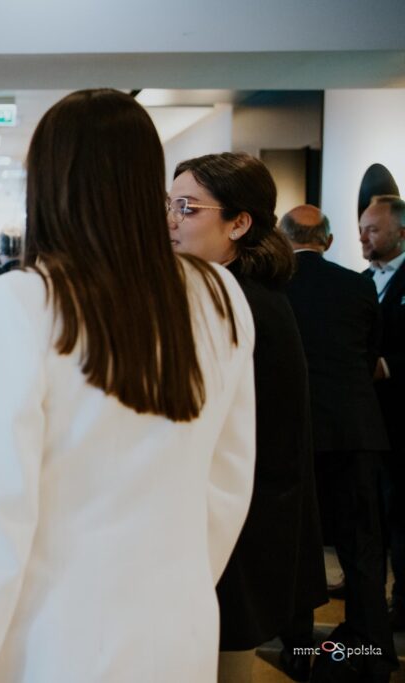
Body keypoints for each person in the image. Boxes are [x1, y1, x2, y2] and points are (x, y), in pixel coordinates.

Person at [0, 89, 256, 682]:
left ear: (49, 183)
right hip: (177, 627)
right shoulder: (219, 293)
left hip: (54, 633)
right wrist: (175, 584)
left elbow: (1, 507)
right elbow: (229, 483)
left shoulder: (21, 299)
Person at [169, 152, 327, 682]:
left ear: (239, 223)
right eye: (169, 205)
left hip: (239, 528)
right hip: (237, 521)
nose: (171, 221)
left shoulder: (235, 300)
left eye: (188, 208)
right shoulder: (232, 290)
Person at [280, 204, 396, 681]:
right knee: (362, 547)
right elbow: (370, 354)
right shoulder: (358, 285)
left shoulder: (273, 286)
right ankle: (372, 652)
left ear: (283, 240)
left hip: (296, 434)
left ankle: (296, 648)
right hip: (356, 432)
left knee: (298, 545)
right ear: (327, 241)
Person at [360, 195, 405, 633]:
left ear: (401, 233)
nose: (363, 237)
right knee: (369, 512)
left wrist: (386, 366)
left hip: (401, 416)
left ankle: (403, 601)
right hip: (366, 420)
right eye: (361, 229)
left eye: (372, 229)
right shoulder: (359, 282)